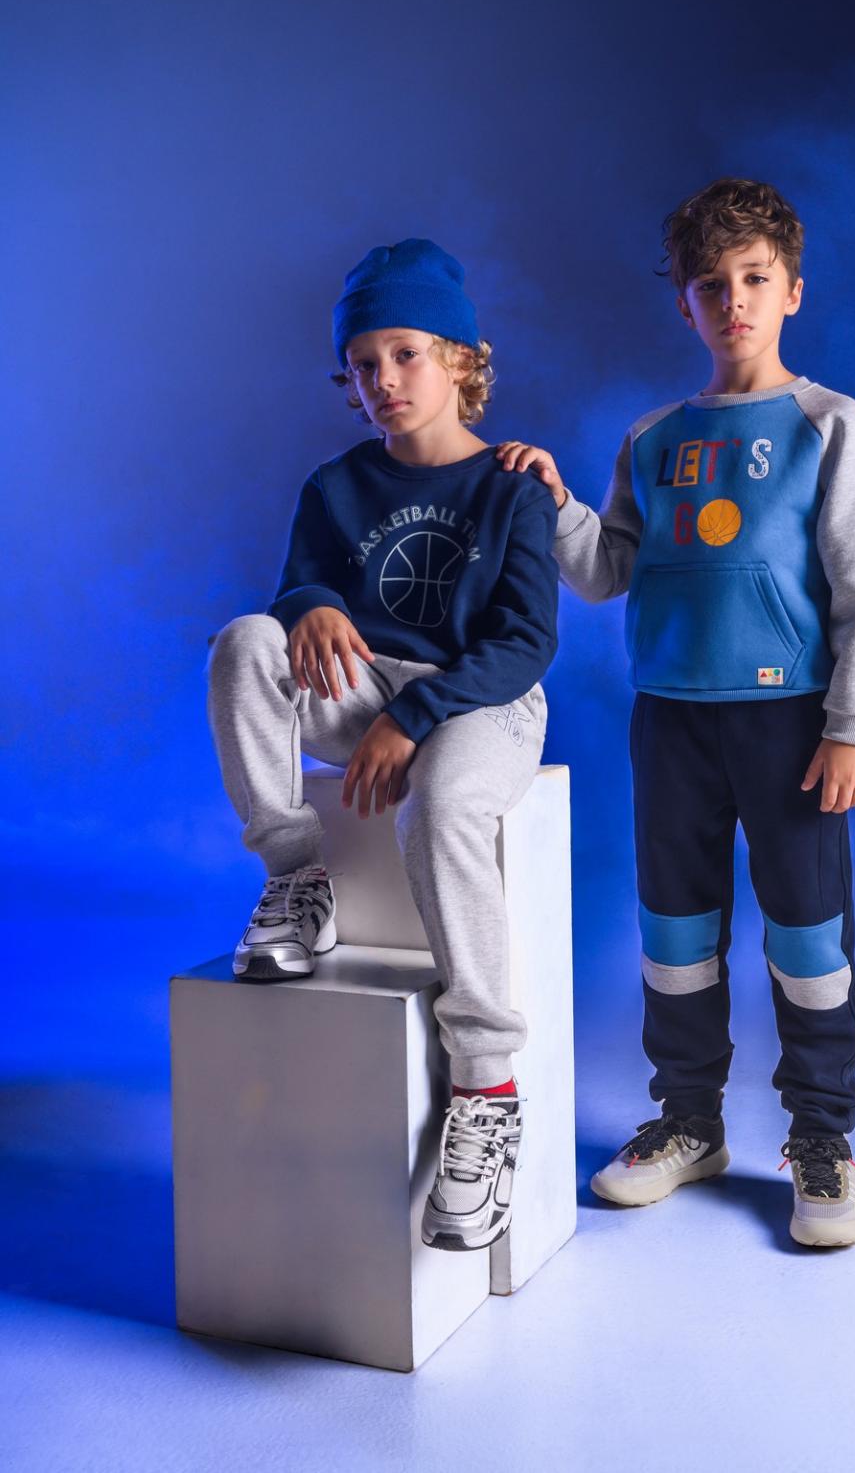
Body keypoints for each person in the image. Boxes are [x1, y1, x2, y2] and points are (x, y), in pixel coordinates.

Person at [497, 178, 855, 1246]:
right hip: (670, 720)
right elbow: (607, 569)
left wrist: (854, 725)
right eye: (710, 284)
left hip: (792, 724)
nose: (734, 300)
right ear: (684, 303)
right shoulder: (654, 438)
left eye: (754, 278)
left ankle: (821, 1139)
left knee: (809, 941)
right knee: (676, 935)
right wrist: (557, 502)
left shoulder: (829, 425)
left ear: (792, 289)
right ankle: (688, 1121)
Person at [208, 237, 559, 1252]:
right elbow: (298, 581)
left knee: (441, 803)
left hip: (485, 699)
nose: (384, 380)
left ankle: (486, 1088)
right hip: (365, 687)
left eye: (405, 354)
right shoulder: (336, 485)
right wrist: (311, 605)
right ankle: (297, 878)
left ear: (460, 359)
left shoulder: (511, 486)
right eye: (363, 364)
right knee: (243, 643)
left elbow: (525, 642)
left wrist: (416, 717)